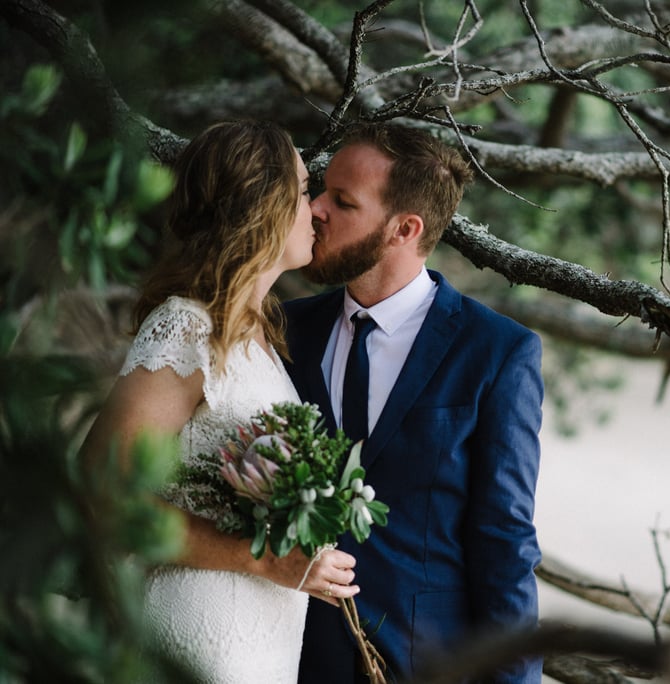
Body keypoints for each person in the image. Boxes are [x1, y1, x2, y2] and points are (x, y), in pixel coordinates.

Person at [81, 120, 359, 684]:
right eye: (305, 190)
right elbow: (101, 489)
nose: (315, 210)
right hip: (199, 635)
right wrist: (264, 559)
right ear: (264, 203)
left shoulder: (260, 338)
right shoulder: (187, 327)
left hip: (262, 645)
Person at [285, 122, 544, 683]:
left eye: (342, 201)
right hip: (287, 655)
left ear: (404, 228)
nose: (315, 209)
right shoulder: (283, 332)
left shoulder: (498, 353)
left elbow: (505, 543)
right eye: (321, 190)